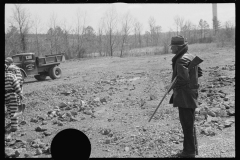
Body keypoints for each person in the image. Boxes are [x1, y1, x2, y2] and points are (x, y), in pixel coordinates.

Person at [168, 35, 202, 158]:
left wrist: (175, 85)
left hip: (184, 97)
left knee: (187, 124)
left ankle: (189, 152)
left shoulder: (181, 60)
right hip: (191, 94)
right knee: (190, 123)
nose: (171, 49)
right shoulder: (190, 56)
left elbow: (182, 79)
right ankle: (192, 150)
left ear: (177, 47)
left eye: (172, 46)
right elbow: (199, 72)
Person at [5, 64, 23, 132]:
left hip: (5, 96)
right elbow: (16, 86)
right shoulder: (11, 75)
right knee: (14, 110)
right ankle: (14, 127)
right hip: (12, 94)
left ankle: (13, 124)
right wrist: (20, 94)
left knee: (9, 110)